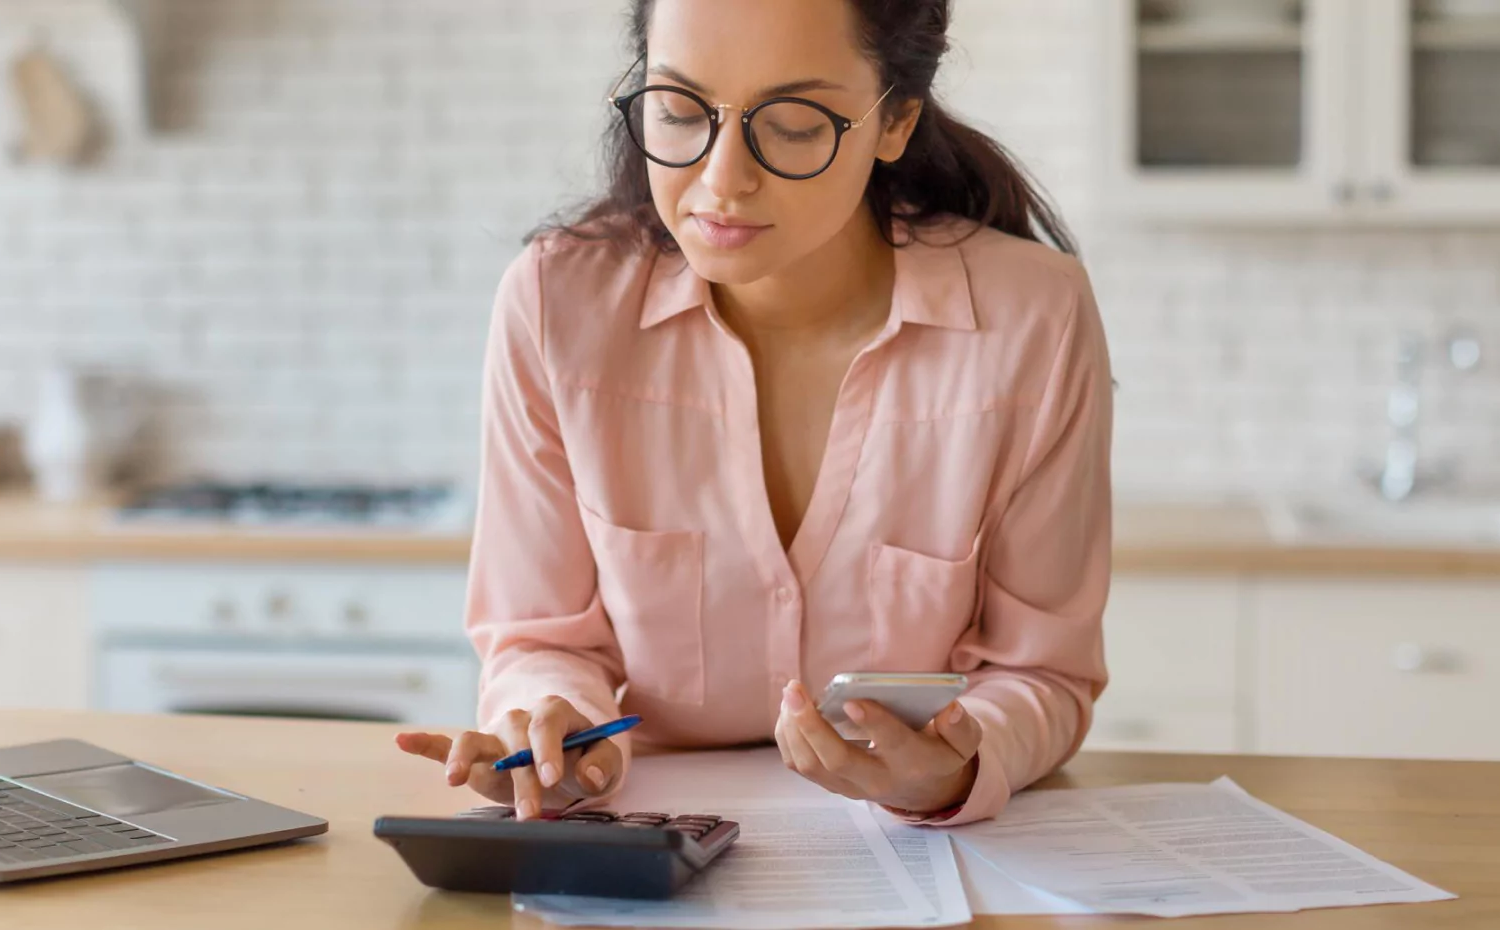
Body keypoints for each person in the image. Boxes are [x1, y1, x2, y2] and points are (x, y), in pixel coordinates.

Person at [395, 0, 1112, 826]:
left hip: (914, 864)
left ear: (897, 121)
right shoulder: (558, 304)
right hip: (650, 839)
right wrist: (557, 730)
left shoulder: (1034, 315)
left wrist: (956, 765)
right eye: (677, 110)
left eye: (797, 124)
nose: (722, 180)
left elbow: (1045, 674)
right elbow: (542, 641)